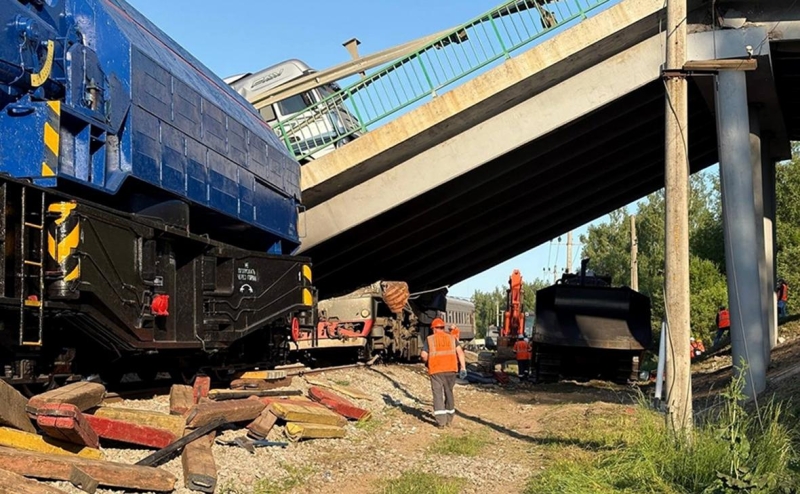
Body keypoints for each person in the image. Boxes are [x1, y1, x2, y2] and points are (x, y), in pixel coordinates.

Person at [420, 318, 467, 428]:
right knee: (449, 392)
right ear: (443, 328)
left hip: (436, 370)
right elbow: (460, 352)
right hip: (451, 370)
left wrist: (426, 361)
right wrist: (463, 368)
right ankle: (449, 419)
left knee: (437, 394)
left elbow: (423, 355)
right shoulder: (451, 338)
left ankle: (441, 422)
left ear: (434, 329)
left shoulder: (430, 339)